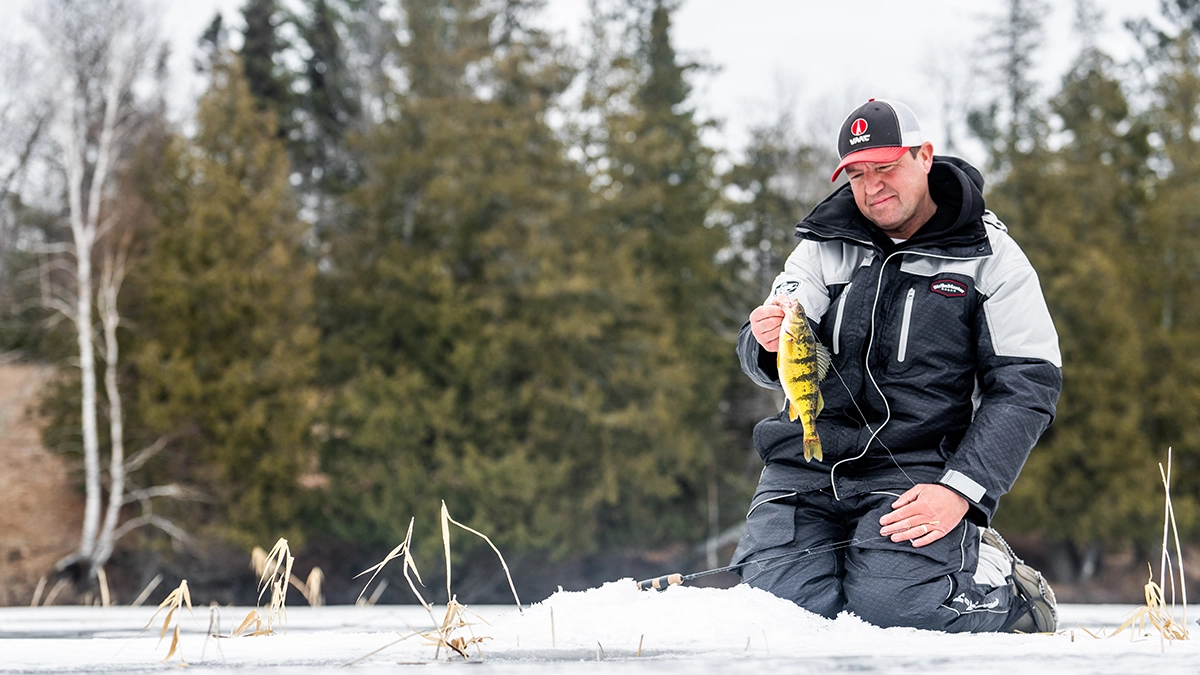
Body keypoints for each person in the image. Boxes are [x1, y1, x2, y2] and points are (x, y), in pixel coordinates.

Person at [731, 98, 1062, 633]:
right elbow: (772, 346)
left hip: (914, 472)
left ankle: (1009, 587)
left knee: (899, 613)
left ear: (925, 156)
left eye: (885, 167)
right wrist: (765, 340)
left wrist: (961, 489)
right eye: (858, 173)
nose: (872, 186)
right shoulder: (819, 247)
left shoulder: (992, 256)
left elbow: (1028, 387)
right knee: (778, 618)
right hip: (805, 468)